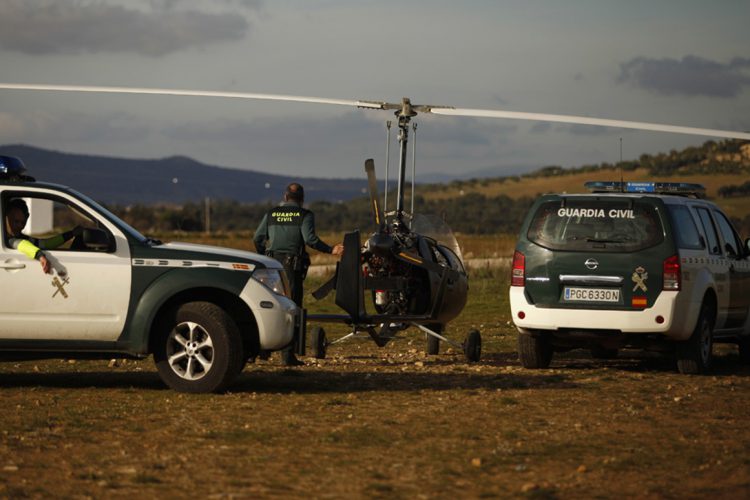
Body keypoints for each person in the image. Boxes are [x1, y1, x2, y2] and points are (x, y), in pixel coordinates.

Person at [254, 182, 344, 366]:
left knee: (267, 304)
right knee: (292, 307)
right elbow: (310, 239)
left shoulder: (271, 214)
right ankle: (288, 356)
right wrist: (330, 249)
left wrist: (264, 257)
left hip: (270, 266)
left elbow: (258, 238)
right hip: (290, 268)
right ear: (302, 199)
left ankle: (262, 352)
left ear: (285, 197)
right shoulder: (305, 215)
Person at [4, 198, 82, 274]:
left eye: (23, 222)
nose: (20, 226)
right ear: (6, 218)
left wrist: (71, 234)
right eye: (16, 221)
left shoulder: (22, 237)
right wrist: (40, 256)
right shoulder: (7, 239)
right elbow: (19, 243)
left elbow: (45, 244)